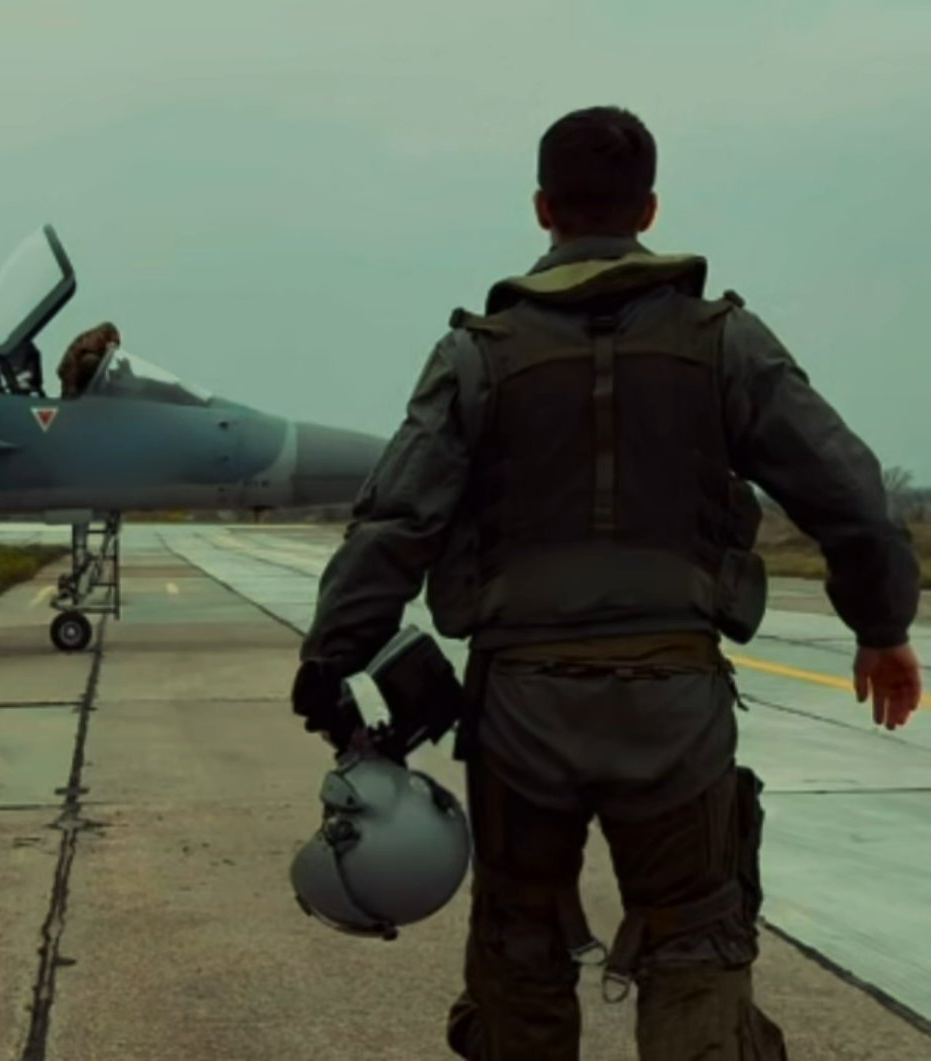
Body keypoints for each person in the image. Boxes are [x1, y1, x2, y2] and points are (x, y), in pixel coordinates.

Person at [290, 105, 922, 1059]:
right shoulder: (726, 343)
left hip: (519, 711)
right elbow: (851, 498)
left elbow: (395, 523)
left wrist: (330, 656)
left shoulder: (476, 354)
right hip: (675, 708)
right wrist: (881, 627)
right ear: (649, 208)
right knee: (696, 939)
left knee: (519, 947)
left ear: (542, 208)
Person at [57, 321, 120, 398]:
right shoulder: (90, 347)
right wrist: (71, 389)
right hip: (75, 388)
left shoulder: (97, 347)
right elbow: (67, 366)